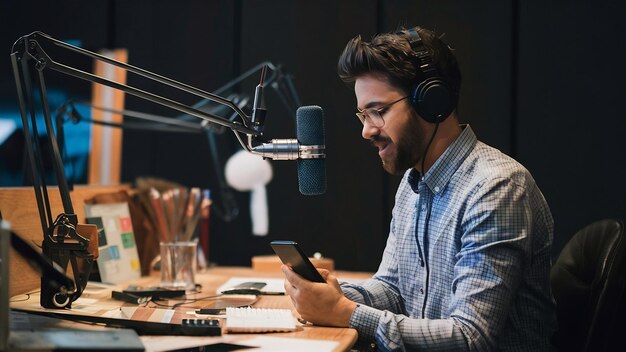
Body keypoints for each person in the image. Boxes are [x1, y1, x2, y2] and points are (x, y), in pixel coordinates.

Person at [281, 26, 556, 351]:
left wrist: (344, 312)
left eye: (378, 112)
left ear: (431, 102)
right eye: (363, 115)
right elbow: (394, 290)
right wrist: (334, 294)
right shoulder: (413, 184)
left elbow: (471, 338)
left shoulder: (497, 189)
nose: (367, 131)